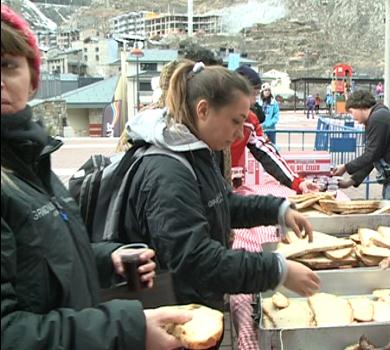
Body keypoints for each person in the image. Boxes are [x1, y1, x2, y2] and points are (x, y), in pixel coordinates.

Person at [1, 4, 192, 349]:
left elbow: (43, 261)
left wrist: (106, 259)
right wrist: (127, 329)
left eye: (7, 65)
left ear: (31, 80)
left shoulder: (32, 162)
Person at [119, 62, 320, 326]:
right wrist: (277, 270)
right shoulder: (167, 172)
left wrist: (278, 210)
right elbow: (196, 260)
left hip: (196, 307)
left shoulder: (196, 152)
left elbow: (223, 204)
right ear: (203, 110)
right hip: (173, 318)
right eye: (235, 121)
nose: (239, 134)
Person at [234, 65, 319, 193]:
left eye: (256, 96)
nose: (253, 101)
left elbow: (267, 153)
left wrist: (296, 182)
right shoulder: (211, 120)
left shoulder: (250, 120)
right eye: (251, 95)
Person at [331, 90, 390, 208]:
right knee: (389, 212)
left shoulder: (378, 119)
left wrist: (346, 167)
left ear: (360, 106)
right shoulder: (374, 119)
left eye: (351, 112)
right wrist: (351, 181)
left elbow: (372, 154)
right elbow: (374, 157)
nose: (352, 116)